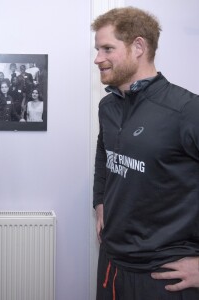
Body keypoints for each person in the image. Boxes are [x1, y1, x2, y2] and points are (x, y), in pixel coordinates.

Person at [92, 7, 199, 300]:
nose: (97, 58)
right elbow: (105, 155)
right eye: (97, 49)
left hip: (164, 275)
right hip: (112, 264)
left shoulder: (186, 110)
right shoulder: (108, 106)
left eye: (107, 48)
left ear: (138, 47)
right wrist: (100, 202)